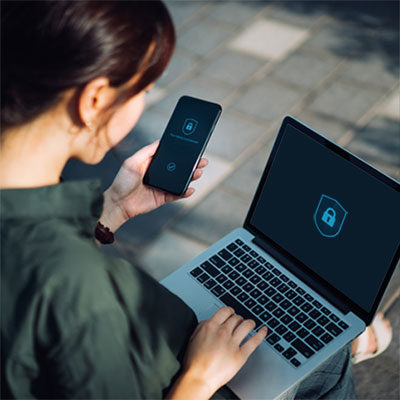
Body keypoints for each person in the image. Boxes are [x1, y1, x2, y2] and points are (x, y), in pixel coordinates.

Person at [1, 1, 386, 399]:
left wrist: (113, 209)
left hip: (147, 340)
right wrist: (200, 377)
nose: (142, 103)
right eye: (142, 90)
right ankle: (337, 350)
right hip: (179, 375)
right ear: (94, 100)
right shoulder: (79, 289)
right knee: (328, 360)